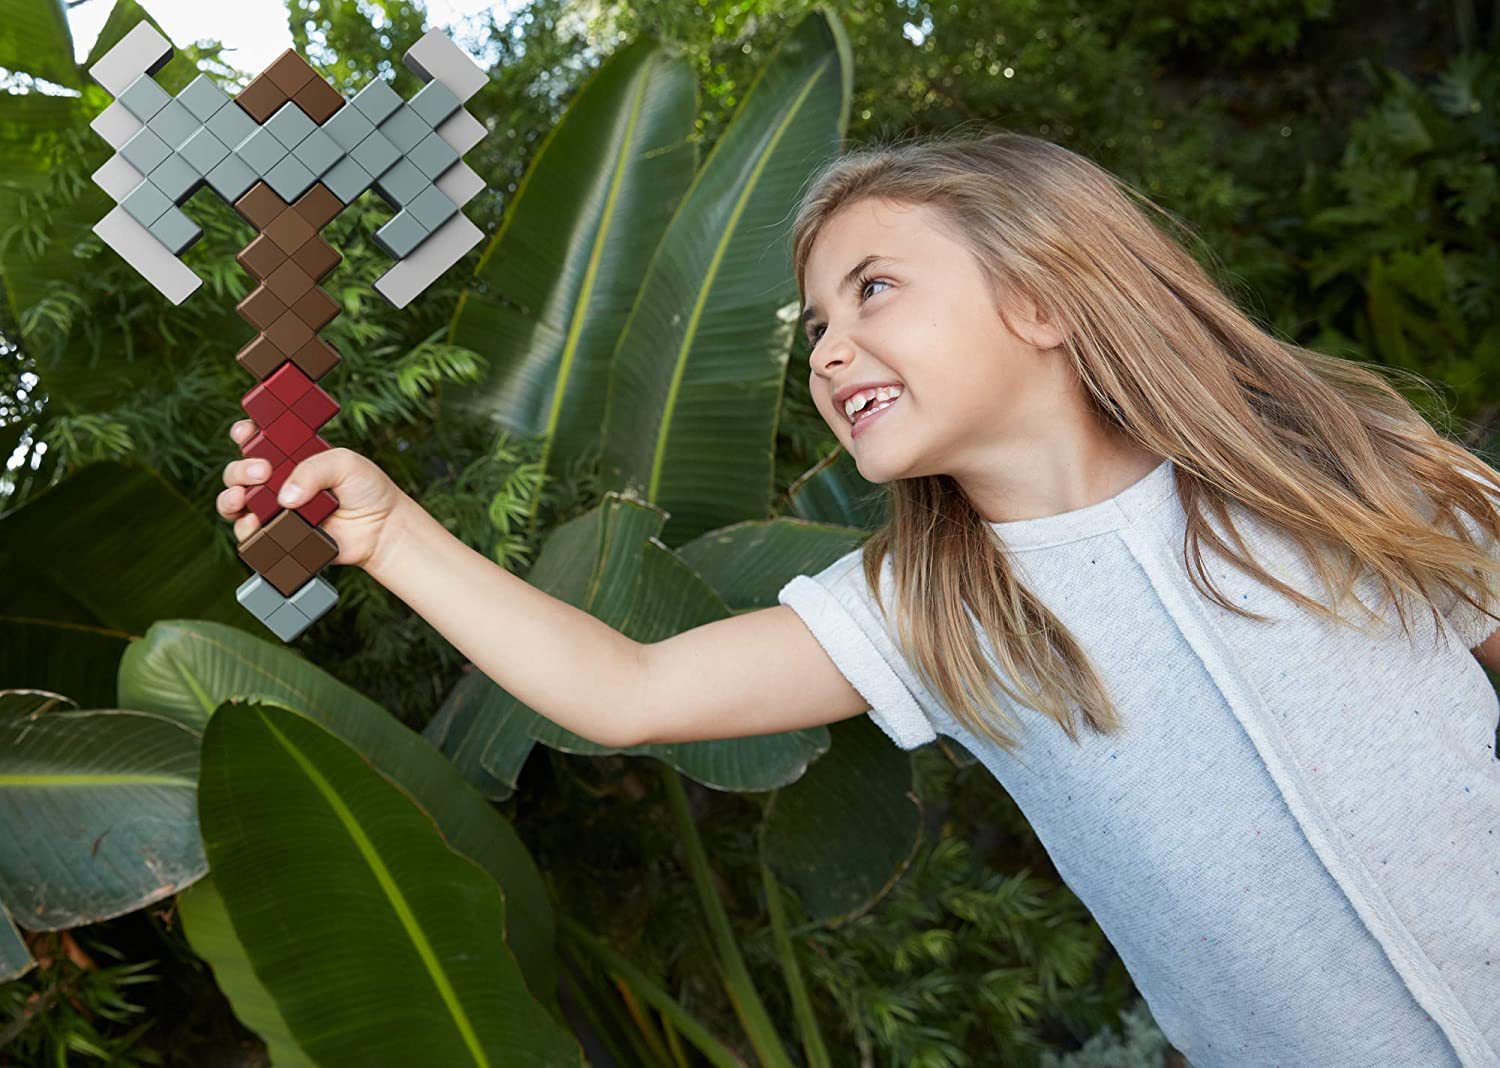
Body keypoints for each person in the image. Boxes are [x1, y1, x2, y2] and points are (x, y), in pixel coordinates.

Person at [218, 130, 1500, 1066]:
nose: (826, 350)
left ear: (1044, 297)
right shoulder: (932, 609)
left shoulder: (1340, 467)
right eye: (816, 320)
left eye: (872, 288)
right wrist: (388, 533)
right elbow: (630, 691)